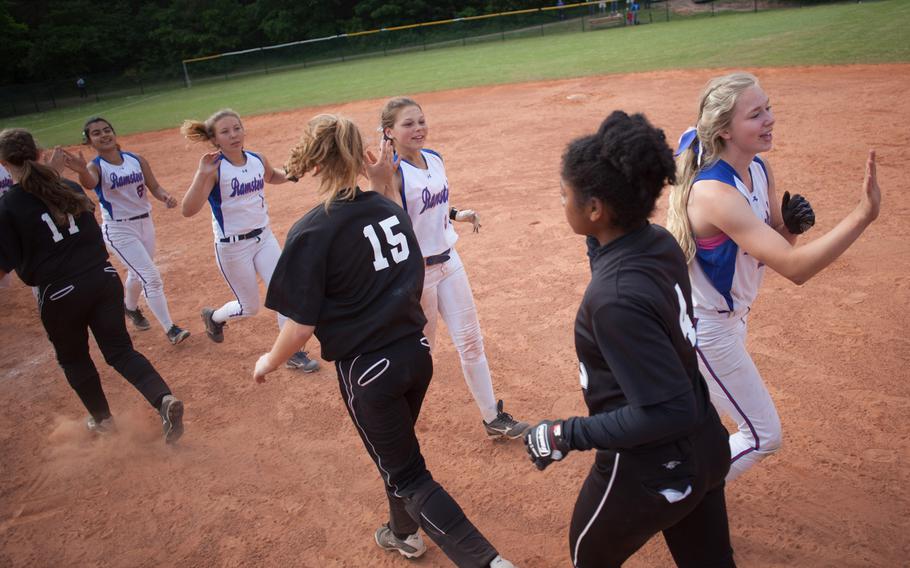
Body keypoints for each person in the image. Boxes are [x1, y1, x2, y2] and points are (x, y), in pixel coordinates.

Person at [253, 114, 514, 568]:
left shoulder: (312, 230)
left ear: (314, 164)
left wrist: (268, 362)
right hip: (416, 355)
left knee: (409, 475)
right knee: (396, 457)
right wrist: (382, 185)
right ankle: (403, 534)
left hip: (369, 371)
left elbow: (299, 329)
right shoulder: (390, 209)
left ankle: (487, 561)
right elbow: (411, 268)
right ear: (362, 154)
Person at [523, 111, 734, 567]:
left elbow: (667, 411)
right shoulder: (656, 242)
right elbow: (611, 263)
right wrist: (597, 238)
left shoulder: (614, 299)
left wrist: (565, 434)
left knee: (589, 558)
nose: (563, 202)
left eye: (566, 195)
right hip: (707, 445)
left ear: (596, 209)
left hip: (647, 467)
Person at [665, 72, 881, 481]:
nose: (770, 119)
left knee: (700, 419)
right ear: (726, 131)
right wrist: (862, 216)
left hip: (726, 323)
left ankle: (675, 479)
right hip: (706, 331)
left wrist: (791, 230)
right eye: (756, 114)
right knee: (763, 435)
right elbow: (795, 270)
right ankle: (678, 496)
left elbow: (769, 252)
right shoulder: (716, 195)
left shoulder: (758, 170)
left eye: (769, 108)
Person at [0, 128, 184, 443]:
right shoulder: (68, 187)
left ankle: (103, 420)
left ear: (4, 163)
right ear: (40, 153)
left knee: (74, 358)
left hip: (59, 293)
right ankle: (163, 398)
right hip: (103, 278)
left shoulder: (8, 206)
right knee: (121, 351)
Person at [372, 97, 527, 439]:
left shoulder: (434, 158)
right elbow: (394, 220)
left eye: (421, 121)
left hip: (449, 261)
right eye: (408, 124)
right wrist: (379, 181)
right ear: (389, 132)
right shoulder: (393, 172)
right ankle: (395, 422)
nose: (418, 129)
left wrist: (456, 214)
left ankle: (492, 418)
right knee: (419, 353)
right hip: (418, 275)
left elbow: (431, 201)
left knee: (471, 341)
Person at [181, 108, 319, 372]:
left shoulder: (256, 159)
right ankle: (215, 316)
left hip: (263, 238)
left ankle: (292, 352)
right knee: (249, 307)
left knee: (286, 293)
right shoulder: (213, 169)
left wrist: (294, 172)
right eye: (225, 131)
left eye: (237, 128)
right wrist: (201, 175)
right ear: (214, 139)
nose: (233, 135)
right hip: (233, 247)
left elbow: (273, 176)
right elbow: (188, 210)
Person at [61, 117, 190, 345]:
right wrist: (81, 171)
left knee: (137, 273)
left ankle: (129, 308)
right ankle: (171, 328)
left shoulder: (136, 160)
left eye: (107, 130)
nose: (104, 135)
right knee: (150, 276)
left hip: (145, 223)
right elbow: (90, 183)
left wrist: (165, 197)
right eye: (97, 133)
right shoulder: (96, 166)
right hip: (119, 229)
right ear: (90, 141)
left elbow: (155, 186)